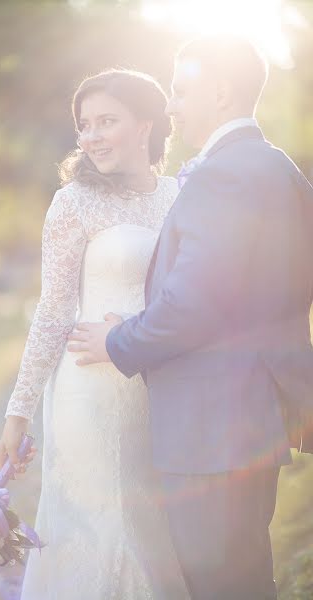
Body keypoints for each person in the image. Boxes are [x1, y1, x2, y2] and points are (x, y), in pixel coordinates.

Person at [68, 36, 313, 600]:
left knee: (219, 585)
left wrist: (116, 339)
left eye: (181, 90)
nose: (171, 106)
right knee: (245, 579)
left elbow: (192, 305)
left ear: (221, 93)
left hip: (210, 426)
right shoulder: (281, 169)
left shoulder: (221, 175)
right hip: (252, 415)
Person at [0, 69, 189, 599]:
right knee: (101, 525)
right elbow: (53, 311)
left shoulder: (181, 195)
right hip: (90, 393)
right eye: (85, 125)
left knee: (153, 524)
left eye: (108, 121)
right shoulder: (73, 202)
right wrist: (19, 411)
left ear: (146, 125)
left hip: (160, 388)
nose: (92, 136)